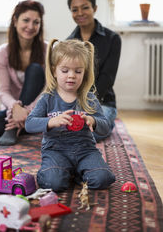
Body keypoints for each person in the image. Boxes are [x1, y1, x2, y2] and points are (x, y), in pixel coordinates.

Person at [25, 39, 115, 192]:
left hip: (85, 150)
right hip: (55, 150)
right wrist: (52, 121)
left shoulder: (89, 99)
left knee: (102, 179)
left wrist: (92, 120)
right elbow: (29, 124)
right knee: (54, 183)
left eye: (78, 71)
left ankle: (78, 173)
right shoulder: (47, 98)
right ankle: (64, 173)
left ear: (84, 72)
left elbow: (106, 127)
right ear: (54, 71)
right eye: (65, 71)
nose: (71, 76)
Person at [0, 0, 47, 146]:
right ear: (15, 21)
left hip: (39, 109)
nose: (31, 26)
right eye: (26, 20)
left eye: (36, 22)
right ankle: (29, 125)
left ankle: (13, 128)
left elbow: (49, 89)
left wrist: (27, 111)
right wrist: (16, 109)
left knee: (35, 69)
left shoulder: (48, 50)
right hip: (12, 111)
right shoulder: (1, 53)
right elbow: (3, 92)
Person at [67, 0, 121, 141]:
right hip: (74, 103)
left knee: (88, 133)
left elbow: (107, 77)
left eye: (85, 7)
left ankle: (106, 124)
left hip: (102, 102)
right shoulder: (68, 42)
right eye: (74, 9)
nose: (80, 13)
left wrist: (86, 105)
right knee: (62, 130)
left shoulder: (112, 39)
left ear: (94, 8)